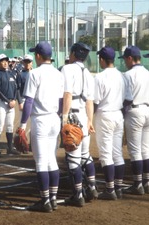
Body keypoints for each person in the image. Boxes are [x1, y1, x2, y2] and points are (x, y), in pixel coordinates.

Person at [18, 41, 63, 212]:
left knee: (41, 162)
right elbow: (60, 101)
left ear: (38, 56)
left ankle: (44, 201)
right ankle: (53, 199)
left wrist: (22, 125)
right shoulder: (58, 74)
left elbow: (29, 101)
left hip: (41, 121)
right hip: (54, 119)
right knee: (52, 159)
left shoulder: (35, 73)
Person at [61, 42, 97, 207]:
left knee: (73, 159)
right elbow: (90, 101)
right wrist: (90, 120)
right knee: (85, 155)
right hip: (83, 115)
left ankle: (78, 195)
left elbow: (67, 94)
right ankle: (92, 187)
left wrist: (64, 117)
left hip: (73, 114)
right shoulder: (89, 73)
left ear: (73, 53)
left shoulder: (67, 69)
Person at [94, 46, 126, 200]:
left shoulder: (100, 77)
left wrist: (89, 119)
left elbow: (95, 101)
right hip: (119, 115)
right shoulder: (122, 76)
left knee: (106, 154)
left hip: (105, 115)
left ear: (102, 59)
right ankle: (118, 187)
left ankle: (109, 189)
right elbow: (127, 99)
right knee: (117, 153)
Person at [119, 46, 149, 195]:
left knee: (135, 150)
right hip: (148, 110)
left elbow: (127, 99)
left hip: (135, 111)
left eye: (125, 59)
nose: (124, 62)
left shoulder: (128, 75)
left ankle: (137, 184)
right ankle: (147, 181)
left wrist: (120, 112)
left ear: (130, 58)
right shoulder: (148, 73)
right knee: (145, 149)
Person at [0, 53, 22, 157]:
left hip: (11, 103)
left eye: (6, 60)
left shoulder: (11, 74)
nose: (5, 63)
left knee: (10, 126)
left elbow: (16, 88)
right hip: (1, 102)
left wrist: (14, 100)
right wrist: (8, 101)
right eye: (2, 61)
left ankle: (10, 148)